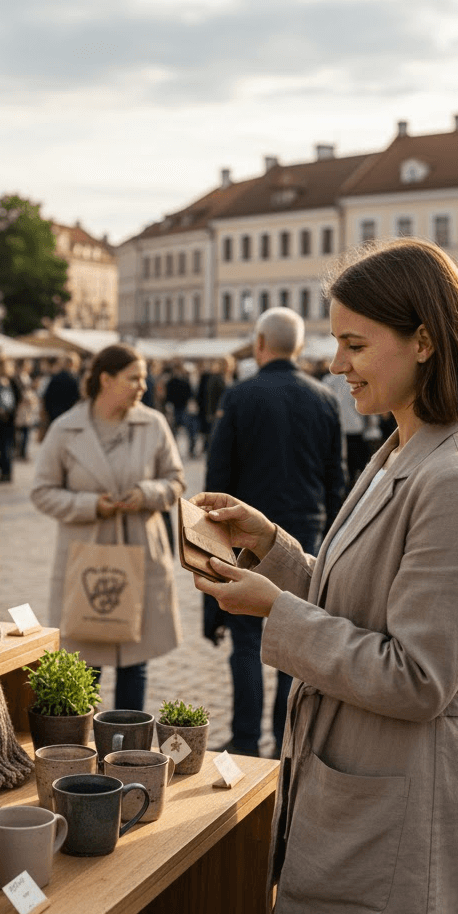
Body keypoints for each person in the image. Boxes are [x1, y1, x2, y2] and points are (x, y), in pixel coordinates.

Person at [192, 239, 458, 914]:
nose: (335, 363)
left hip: (410, 798)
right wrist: (272, 546)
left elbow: (419, 676)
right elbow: (358, 603)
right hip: (366, 786)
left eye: (354, 343)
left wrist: (274, 611)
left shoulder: (457, 478)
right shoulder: (402, 448)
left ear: (425, 341)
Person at [204, 308, 346, 758]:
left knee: (245, 643)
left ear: (260, 343)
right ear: (299, 347)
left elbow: (217, 482)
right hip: (307, 531)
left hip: (247, 535)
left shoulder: (240, 397)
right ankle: (286, 740)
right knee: (293, 638)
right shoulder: (325, 399)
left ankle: (246, 738)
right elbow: (336, 479)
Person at [31, 344, 185, 710]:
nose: (143, 386)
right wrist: (90, 506)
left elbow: (176, 481)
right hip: (87, 553)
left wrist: (147, 493)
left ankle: (128, 750)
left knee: (136, 661)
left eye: (143, 378)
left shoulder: (153, 424)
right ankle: (80, 748)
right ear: (106, 379)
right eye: (134, 378)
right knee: (86, 663)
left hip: (140, 551)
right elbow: (41, 492)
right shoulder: (65, 429)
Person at [40, 352, 81, 435]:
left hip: (54, 417)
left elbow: (46, 398)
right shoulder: (76, 380)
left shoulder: (55, 378)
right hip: (71, 418)